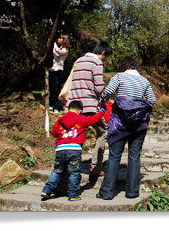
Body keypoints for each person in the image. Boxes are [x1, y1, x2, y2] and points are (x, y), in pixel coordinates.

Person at [96, 56, 156, 200]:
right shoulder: (144, 81)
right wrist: (140, 108)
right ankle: (132, 192)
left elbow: (107, 93)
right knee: (134, 156)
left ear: (123, 66)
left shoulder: (119, 77)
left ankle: (106, 192)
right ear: (135, 67)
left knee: (114, 156)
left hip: (119, 123)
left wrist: (101, 102)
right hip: (139, 124)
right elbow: (152, 100)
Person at [41, 100, 112, 202]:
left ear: (68, 109)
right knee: (74, 172)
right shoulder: (81, 119)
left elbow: (54, 132)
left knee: (57, 171)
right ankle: (73, 194)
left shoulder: (60, 120)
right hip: (75, 150)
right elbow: (93, 119)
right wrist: (102, 111)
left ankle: (47, 190)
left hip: (61, 149)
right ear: (80, 111)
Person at [66, 41, 113, 178]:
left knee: (76, 135)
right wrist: (103, 99)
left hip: (74, 106)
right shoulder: (96, 63)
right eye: (106, 57)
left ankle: (71, 167)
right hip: (89, 105)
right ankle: (96, 166)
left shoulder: (79, 61)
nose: (105, 60)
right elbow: (99, 88)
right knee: (103, 132)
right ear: (103, 53)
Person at [49, 33, 71, 114]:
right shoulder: (59, 47)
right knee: (51, 88)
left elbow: (58, 52)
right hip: (52, 69)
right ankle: (52, 104)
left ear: (64, 40)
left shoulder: (65, 50)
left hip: (59, 70)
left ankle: (57, 106)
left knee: (56, 88)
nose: (59, 39)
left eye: (61, 38)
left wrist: (52, 43)